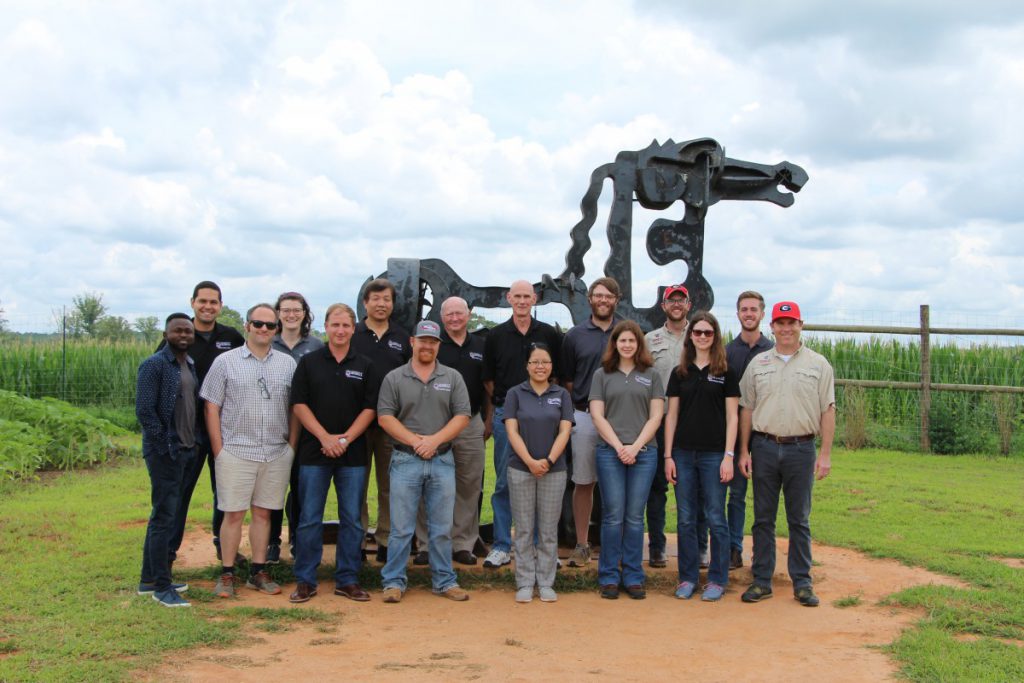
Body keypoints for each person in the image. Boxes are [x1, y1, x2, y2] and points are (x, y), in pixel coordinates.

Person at [738, 301, 835, 607]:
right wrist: (744, 450)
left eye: (791, 322)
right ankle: (762, 580)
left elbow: (827, 411)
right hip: (764, 446)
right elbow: (747, 409)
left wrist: (825, 454)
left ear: (801, 325)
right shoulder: (759, 364)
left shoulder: (818, 365)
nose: (786, 328)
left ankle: (802, 582)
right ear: (773, 327)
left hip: (801, 448)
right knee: (763, 518)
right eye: (780, 323)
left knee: (799, 519)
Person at [201, 304, 298, 598]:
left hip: (275, 451)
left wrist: (291, 446)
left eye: (270, 325)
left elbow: (295, 408)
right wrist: (219, 449)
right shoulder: (225, 362)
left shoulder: (287, 364)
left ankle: (258, 571)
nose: (264, 329)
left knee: (264, 514)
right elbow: (211, 405)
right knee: (232, 514)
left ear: (277, 330)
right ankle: (228, 573)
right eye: (258, 324)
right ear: (247, 326)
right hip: (236, 450)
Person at [289, 304, 378, 604]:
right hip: (314, 452)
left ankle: (347, 579)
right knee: (309, 518)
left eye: (346, 326)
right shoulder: (309, 362)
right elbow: (299, 404)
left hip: (352, 454)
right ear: (325, 327)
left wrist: (346, 438)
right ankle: (305, 580)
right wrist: (326, 437)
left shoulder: (364, 364)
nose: (340, 331)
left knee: (352, 519)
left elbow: (370, 408)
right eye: (335, 325)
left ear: (354, 329)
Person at [377, 320, 472, 603]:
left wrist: (434, 441)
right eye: (423, 340)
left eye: (432, 341)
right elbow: (385, 416)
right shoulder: (395, 377)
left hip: (442, 459)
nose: (427, 345)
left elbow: (462, 415)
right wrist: (416, 441)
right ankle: (393, 581)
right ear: (412, 342)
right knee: (401, 528)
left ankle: (445, 581)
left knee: (442, 528)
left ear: (438, 345)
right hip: (405, 460)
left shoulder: (452, 377)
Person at [481, 280, 562, 569]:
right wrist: (510, 408)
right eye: (517, 296)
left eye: (527, 296)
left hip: (543, 417)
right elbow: (489, 380)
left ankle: (540, 547)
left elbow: (558, 375)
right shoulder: (496, 336)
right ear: (509, 299)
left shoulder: (549, 334)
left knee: (541, 479)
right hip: (508, 416)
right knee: (505, 481)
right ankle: (502, 546)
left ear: (535, 299)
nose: (522, 301)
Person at [165, 281, 245, 565]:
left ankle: (224, 548)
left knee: (224, 492)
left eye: (213, 302)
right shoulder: (179, 335)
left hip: (225, 428)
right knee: (180, 493)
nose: (208, 306)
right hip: (187, 429)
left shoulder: (232, 337)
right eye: (203, 301)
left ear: (220, 306)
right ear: (192, 303)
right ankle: (167, 554)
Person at [664, 311, 739, 602]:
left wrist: (728, 455)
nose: (703, 337)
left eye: (708, 333)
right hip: (683, 453)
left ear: (715, 336)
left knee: (715, 517)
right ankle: (687, 577)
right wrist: (668, 456)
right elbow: (671, 417)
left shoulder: (725, 372)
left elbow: (733, 417)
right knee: (685, 518)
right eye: (698, 332)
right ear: (690, 336)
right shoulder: (679, 372)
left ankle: (717, 580)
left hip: (714, 455)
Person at [589, 320, 665, 599]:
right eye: (623, 340)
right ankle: (609, 575)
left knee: (634, 517)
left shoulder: (651, 375)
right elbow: (597, 414)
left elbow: (656, 415)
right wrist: (620, 446)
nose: (627, 345)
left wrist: (634, 447)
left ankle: (633, 575)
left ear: (639, 344)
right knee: (613, 516)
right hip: (610, 452)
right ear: (615, 343)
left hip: (644, 454)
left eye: (632, 341)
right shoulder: (602, 375)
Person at [414, 297, 489, 566]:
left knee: (469, 485)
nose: (454, 318)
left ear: (468, 315)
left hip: (471, 423)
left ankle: (462, 543)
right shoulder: (434, 345)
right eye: (449, 314)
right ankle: (425, 544)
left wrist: (488, 421)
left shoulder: (481, 345)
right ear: (442, 317)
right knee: (427, 483)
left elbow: (488, 386)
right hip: (434, 425)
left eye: (459, 313)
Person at [135, 313, 199, 607]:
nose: (184, 334)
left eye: (188, 330)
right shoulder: (154, 365)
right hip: (166, 453)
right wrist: (165, 448)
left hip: (185, 449)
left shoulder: (189, 364)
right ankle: (162, 586)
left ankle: (149, 580)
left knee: (166, 515)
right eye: (178, 330)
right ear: (166, 333)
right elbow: (145, 412)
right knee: (163, 518)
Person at [504, 343, 573, 603]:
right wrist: (531, 461)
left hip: (554, 470)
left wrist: (548, 460)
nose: (540, 366)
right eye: (535, 362)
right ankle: (524, 581)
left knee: (547, 530)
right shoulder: (515, 393)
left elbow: (565, 430)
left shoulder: (561, 395)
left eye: (545, 362)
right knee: (523, 528)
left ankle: (545, 582)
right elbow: (512, 431)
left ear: (552, 366)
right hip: (521, 468)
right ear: (527, 366)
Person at [562, 277, 623, 567]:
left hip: (620, 419)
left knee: (618, 484)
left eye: (608, 296)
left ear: (616, 300)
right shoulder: (574, 336)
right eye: (597, 295)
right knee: (583, 481)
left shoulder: (625, 332)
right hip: (584, 416)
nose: (603, 300)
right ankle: (583, 544)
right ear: (589, 299)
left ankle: (617, 547)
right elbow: (568, 381)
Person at [353, 278, 412, 563]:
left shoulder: (402, 337)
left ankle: (387, 540)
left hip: (393, 424)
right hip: (357, 424)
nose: (381, 304)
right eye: (375, 299)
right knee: (357, 484)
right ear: (365, 303)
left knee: (391, 486)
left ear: (392, 304)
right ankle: (358, 540)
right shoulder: (352, 335)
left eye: (386, 299)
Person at [268, 291, 325, 564]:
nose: (291, 315)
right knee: (272, 488)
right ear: (278, 313)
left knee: (301, 489)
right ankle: (270, 542)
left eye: (297, 310)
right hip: (272, 427)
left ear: (305, 313)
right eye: (286, 309)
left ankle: (298, 541)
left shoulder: (316, 346)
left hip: (306, 430)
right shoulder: (268, 342)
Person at [723, 290, 774, 569]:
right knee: (736, 494)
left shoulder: (771, 352)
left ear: (762, 314)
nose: (749, 314)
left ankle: (762, 552)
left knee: (765, 496)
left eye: (754, 309)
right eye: (744, 309)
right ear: (738, 313)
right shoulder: (728, 352)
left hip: (765, 434)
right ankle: (734, 548)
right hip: (734, 433)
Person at [644, 284, 690, 569]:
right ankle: (658, 547)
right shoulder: (651, 340)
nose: (676, 304)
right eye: (671, 300)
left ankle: (696, 547)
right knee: (657, 487)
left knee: (691, 486)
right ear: (663, 306)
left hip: (691, 419)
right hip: (659, 419)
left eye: (681, 300)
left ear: (689, 304)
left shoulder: (700, 335)